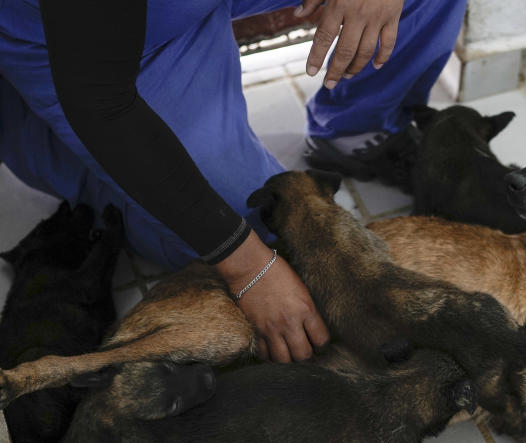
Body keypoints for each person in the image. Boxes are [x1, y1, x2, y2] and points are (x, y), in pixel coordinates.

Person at [0, 0, 467, 363]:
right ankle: (53, 149)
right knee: (255, 222)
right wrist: (247, 267)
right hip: (88, 45)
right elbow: (101, 104)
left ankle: (360, 129)